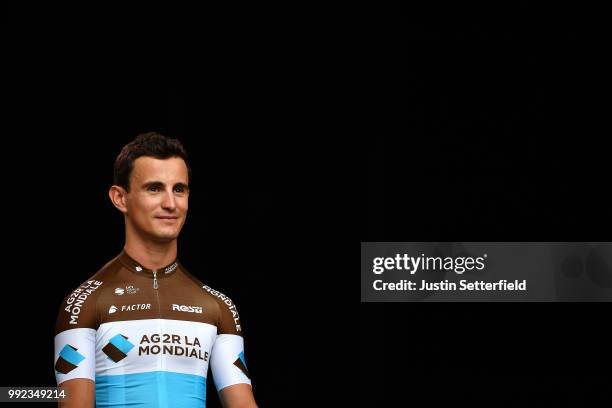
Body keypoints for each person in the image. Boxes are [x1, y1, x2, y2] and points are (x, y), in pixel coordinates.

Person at [53, 132, 257, 407]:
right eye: (154, 188)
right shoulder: (84, 302)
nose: (170, 204)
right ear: (119, 198)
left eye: (179, 189)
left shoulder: (218, 306)